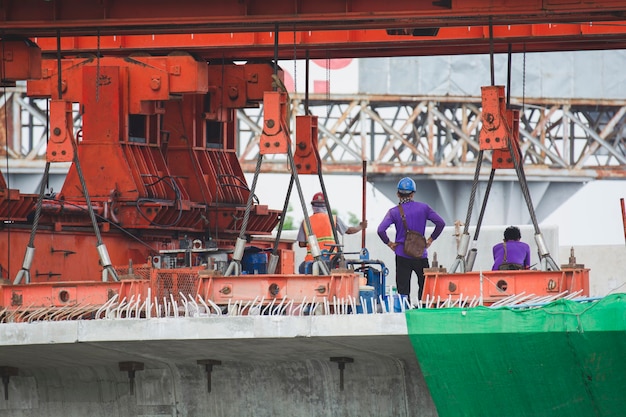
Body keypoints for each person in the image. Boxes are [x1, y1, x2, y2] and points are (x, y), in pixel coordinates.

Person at [377, 177, 445, 303]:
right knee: (425, 288)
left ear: (398, 194)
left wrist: (390, 243)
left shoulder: (394, 212)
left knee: (403, 290)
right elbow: (441, 223)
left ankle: (405, 313)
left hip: (402, 254)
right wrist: (430, 239)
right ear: (413, 194)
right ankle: (423, 311)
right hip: (420, 254)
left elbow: (380, 230)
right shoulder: (424, 208)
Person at [297, 192, 367, 273]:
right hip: (331, 261)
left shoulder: (305, 222)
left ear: (313, 206)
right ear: (326, 206)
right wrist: (361, 227)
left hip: (311, 262)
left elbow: (301, 244)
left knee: (301, 269)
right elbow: (349, 231)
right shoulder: (333, 218)